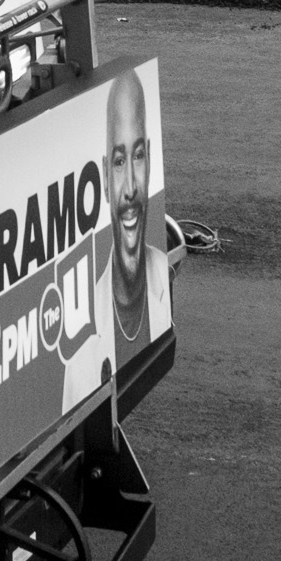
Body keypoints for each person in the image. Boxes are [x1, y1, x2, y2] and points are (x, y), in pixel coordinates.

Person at [106, 67, 172, 350]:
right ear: (104, 178)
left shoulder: (164, 275)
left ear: (151, 159)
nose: (131, 188)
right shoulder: (78, 364)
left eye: (139, 156)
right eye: (120, 161)